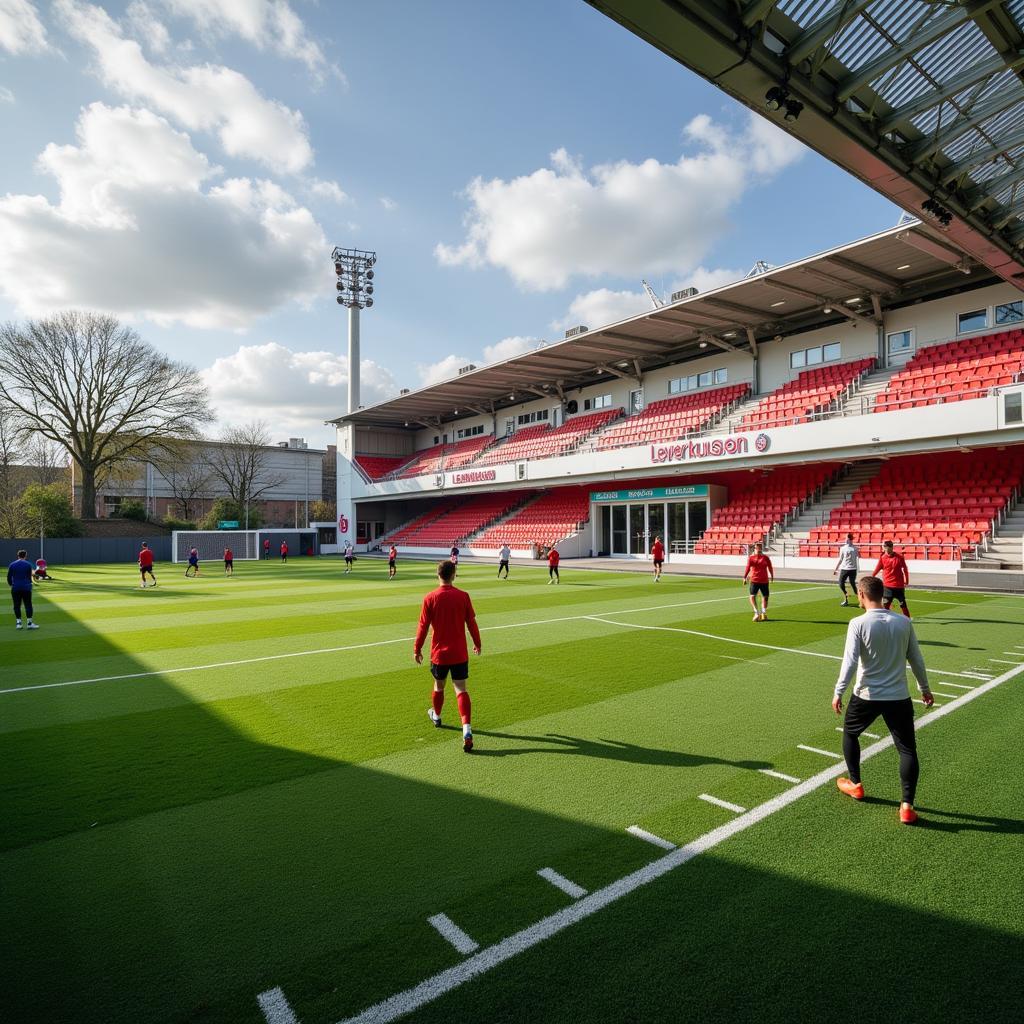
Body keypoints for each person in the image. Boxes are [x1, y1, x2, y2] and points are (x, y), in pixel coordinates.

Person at [833, 575, 933, 825]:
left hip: (866, 695)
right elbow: (917, 660)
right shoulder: (904, 622)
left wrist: (838, 691)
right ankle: (907, 806)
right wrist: (925, 689)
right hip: (898, 696)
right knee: (907, 749)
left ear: (862, 595)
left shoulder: (858, 623)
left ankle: (856, 784)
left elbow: (850, 662)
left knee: (850, 733)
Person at [415, 559, 482, 753]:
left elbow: (423, 626)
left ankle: (436, 716)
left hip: (439, 654)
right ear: (453, 575)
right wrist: (477, 644)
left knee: (439, 686)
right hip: (459, 652)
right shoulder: (463, 596)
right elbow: (472, 623)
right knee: (461, 690)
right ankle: (467, 730)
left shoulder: (430, 598)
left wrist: (416, 648)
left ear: (438, 575)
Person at [872, 539, 911, 617]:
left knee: (903, 605)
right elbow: (877, 568)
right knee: (886, 606)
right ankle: (886, 619)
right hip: (887, 586)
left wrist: (907, 580)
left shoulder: (899, 557)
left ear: (891, 547)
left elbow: (905, 569)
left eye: (885, 547)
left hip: (899, 586)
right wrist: (871, 577)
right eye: (884, 547)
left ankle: (908, 619)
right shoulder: (882, 558)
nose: (884, 548)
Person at [743, 541, 773, 621]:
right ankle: (756, 613)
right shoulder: (751, 558)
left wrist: (772, 576)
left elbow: (770, 567)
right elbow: (748, 567)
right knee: (752, 596)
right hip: (754, 580)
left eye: (760, 546)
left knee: (765, 596)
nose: (759, 547)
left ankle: (763, 612)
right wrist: (744, 577)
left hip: (764, 580)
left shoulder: (766, 558)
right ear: (755, 547)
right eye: (758, 546)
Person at [8, 549, 37, 629]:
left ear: (18, 555)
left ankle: (19, 623)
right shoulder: (28, 564)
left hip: (16, 587)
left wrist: (12, 585)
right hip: (26, 587)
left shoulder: (12, 564)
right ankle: (29, 623)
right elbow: (29, 577)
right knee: (28, 605)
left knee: (16, 605)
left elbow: (9, 577)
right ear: (25, 556)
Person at [833, 533, 860, 607]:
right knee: (841, 584)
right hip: (844, 569)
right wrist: (836, 569)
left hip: (853, 569)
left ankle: (861, 599)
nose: (845, 539)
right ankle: (846, 599)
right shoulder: (842, 548)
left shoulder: (855, 548)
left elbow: (859, 556)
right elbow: (840, 559)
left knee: (853, 584)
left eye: (847, 538)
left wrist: (857, 551)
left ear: (850, 539)